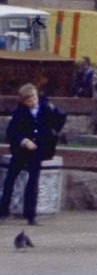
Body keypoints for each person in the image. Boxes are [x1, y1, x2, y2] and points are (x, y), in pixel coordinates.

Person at [2, 83, 63, 249]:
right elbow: (12, 132)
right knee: (11, 179)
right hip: (22, 151)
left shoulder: (45, 108)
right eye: (29, 100)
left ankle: (31, 215)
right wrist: (23, 140)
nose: (33, 102)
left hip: (37, 151)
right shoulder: (19, 113)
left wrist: (53, 115)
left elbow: (59, 119)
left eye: (34, 98)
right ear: (23, 101)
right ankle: (3, 211)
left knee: (33, 181)